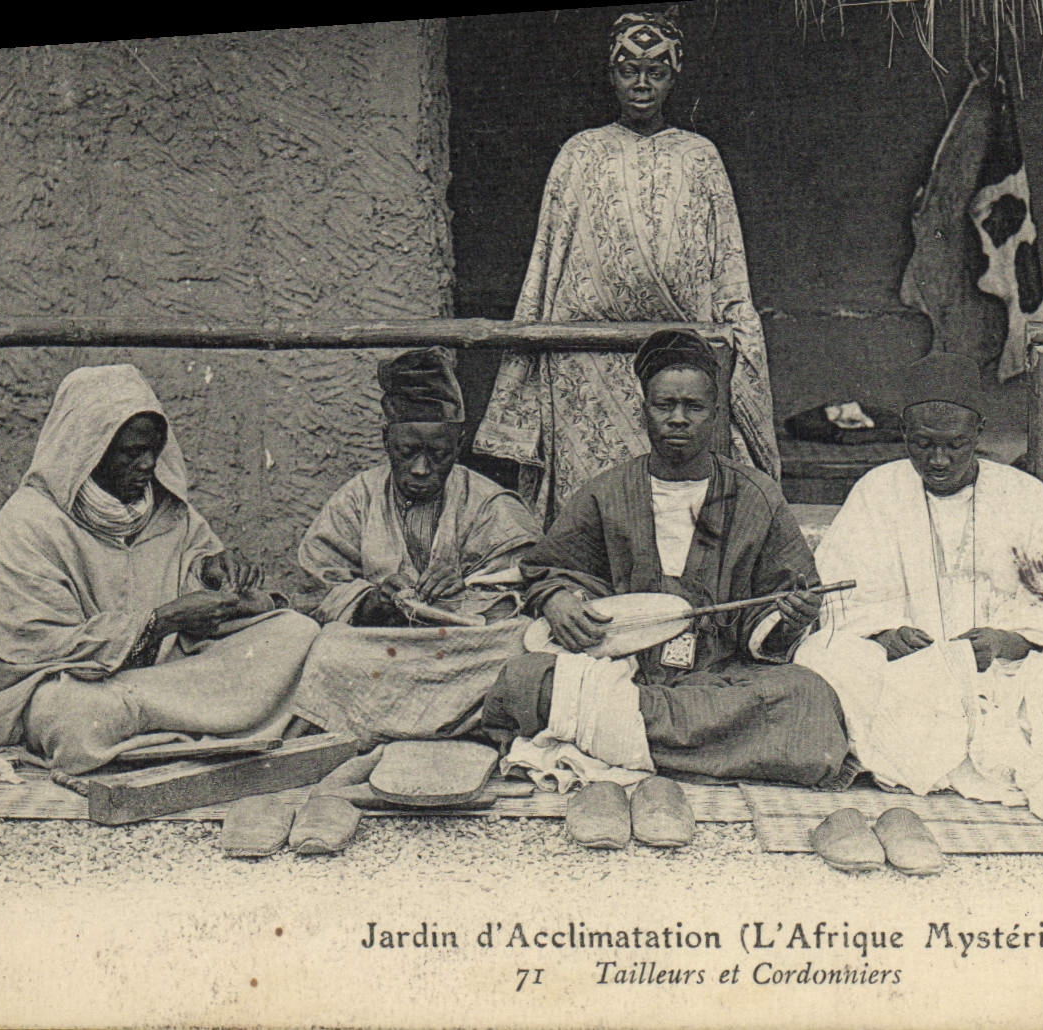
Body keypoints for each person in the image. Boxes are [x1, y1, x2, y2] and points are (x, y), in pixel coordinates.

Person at [795, 353, 1043, 831]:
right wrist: (882, 631)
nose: (938, 460)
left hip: (1013, 675)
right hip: (911, 671)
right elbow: (841, 595)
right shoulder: (876, 492)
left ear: (979, 434)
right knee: (822, 660)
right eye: (923, 445)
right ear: (903, 434)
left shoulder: (1024, 496)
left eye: (954, 445)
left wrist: (1019, 638)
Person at [485, 330, 849, 787]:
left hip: (720, 679)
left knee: (807, 701)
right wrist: (557, 600)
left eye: (694, 407)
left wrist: (792, 617)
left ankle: (614, 740)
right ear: (643, 412)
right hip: (621, 672)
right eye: (664, 406)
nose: (679, 419)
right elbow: (548, 571)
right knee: (524, 680)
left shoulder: (756, 496)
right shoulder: (607, 492)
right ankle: (679, 748)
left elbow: (783, 601)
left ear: (716, 417)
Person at [474, 11, 780, 522]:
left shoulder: (699, 157)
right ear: (610, 76)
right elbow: (545, 266)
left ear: (674, 78)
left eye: (656, 72)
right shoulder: (580, 153)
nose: (641, 84)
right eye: (628, 71)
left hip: (678, 366)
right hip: (582, 366)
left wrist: (737, 346)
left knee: (676, 509)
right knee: (593, 509)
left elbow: (728, 264)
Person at [0, 365, 318, 774]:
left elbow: (191, 572)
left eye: (154, 451)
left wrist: (211, 571)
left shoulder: (167, 510)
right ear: (88, 449)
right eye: (131, 453)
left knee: (294, 632)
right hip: (75, 684)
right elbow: (34, 648)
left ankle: (157, 732)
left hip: (160, 676)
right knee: (70, 715)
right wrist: (160, 621)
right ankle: (211, 727)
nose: (147, 465)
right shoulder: (30, 521)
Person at [290, 347, 543, 743]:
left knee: (519, 644)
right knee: (329, 649)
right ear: (386, 440)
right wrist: (368, 600)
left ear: (458, 445)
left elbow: (525, 583)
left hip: (463, 651)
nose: (422, 469)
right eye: (408, 452)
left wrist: (465, 593)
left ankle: (407, 731)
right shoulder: (357, 498)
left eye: (438, 454)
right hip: (383, 645)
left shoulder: (491, 504)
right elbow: (316, 584)